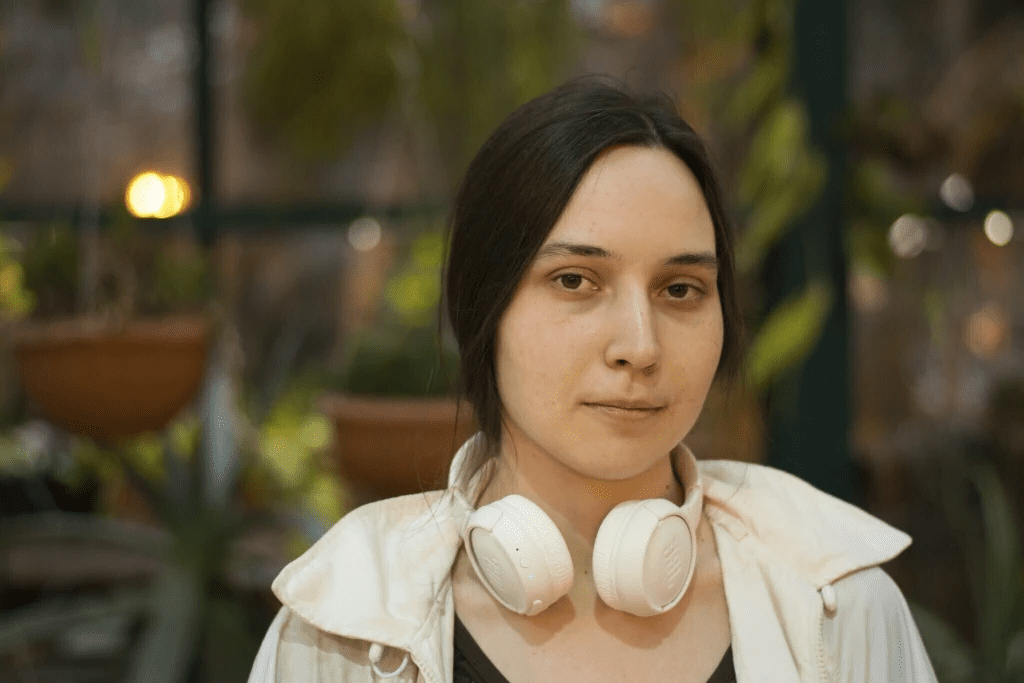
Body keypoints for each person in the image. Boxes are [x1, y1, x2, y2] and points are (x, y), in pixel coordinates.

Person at [248, 77, 938, 683]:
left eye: (681, 289)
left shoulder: (838, 608)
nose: (639, 346)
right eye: (575, 280)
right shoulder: (342, 631)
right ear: (481, 308)